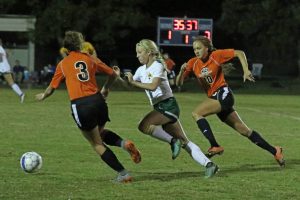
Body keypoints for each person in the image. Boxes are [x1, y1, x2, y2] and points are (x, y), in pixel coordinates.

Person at [35, 31, 140, 183]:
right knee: (100, 132)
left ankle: (123, 174)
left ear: (66, 47)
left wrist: (43, 95)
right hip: (98, 101)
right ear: (79, 44)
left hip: (81, 105)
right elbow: (113, 74)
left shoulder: (63, 64)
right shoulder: (90, 58)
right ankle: (124, 144)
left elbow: (52, 88)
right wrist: (106, 88)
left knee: (96, 143)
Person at [114, 39, 219, 178]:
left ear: (149, 52)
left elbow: (153, 86)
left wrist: (134, 82)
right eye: (136, 53)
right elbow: (130, 86)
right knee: (185, 142)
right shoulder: (140, 70)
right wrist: (119, 78)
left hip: (168, 105)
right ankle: (209, 165)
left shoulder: (158, 66)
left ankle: (172, 141)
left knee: (143, 125)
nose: (137, 55)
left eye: (140, 52)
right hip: (161, 107)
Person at [176, 36, 285, 167]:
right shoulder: (193, 63)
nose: (196, 51)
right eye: (194, 49)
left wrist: (246, 70)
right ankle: (275, 151)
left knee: (197, 113)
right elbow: (178, 83)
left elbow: (240, 53)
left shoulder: (216, 55)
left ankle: (215, 146)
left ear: (207, 48)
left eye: (199, 48)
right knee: (245, 131)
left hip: (224, 94)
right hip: (215, 97)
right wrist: (181, 72)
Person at [0, 38, 25, 103]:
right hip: (3, 67)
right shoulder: (1, 48)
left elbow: (0, 59)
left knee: (11, 83)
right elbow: (5, 56)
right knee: (11, 83)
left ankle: (21, 94)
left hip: (3, 68)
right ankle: (21, 94)